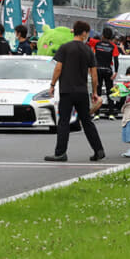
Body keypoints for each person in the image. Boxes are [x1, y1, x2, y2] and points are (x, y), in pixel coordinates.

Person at [45, 20, 104, 162]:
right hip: (82, 91)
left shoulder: (65, 48)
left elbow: (58, 68)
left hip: (66, 91)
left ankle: (60, 153)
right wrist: (95, 92)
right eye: (87, 33)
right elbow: (94, 74)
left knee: (64, 122)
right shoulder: (88, 50)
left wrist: (52, 84)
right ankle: (98, 150)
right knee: (87, 121)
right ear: (83, 33)